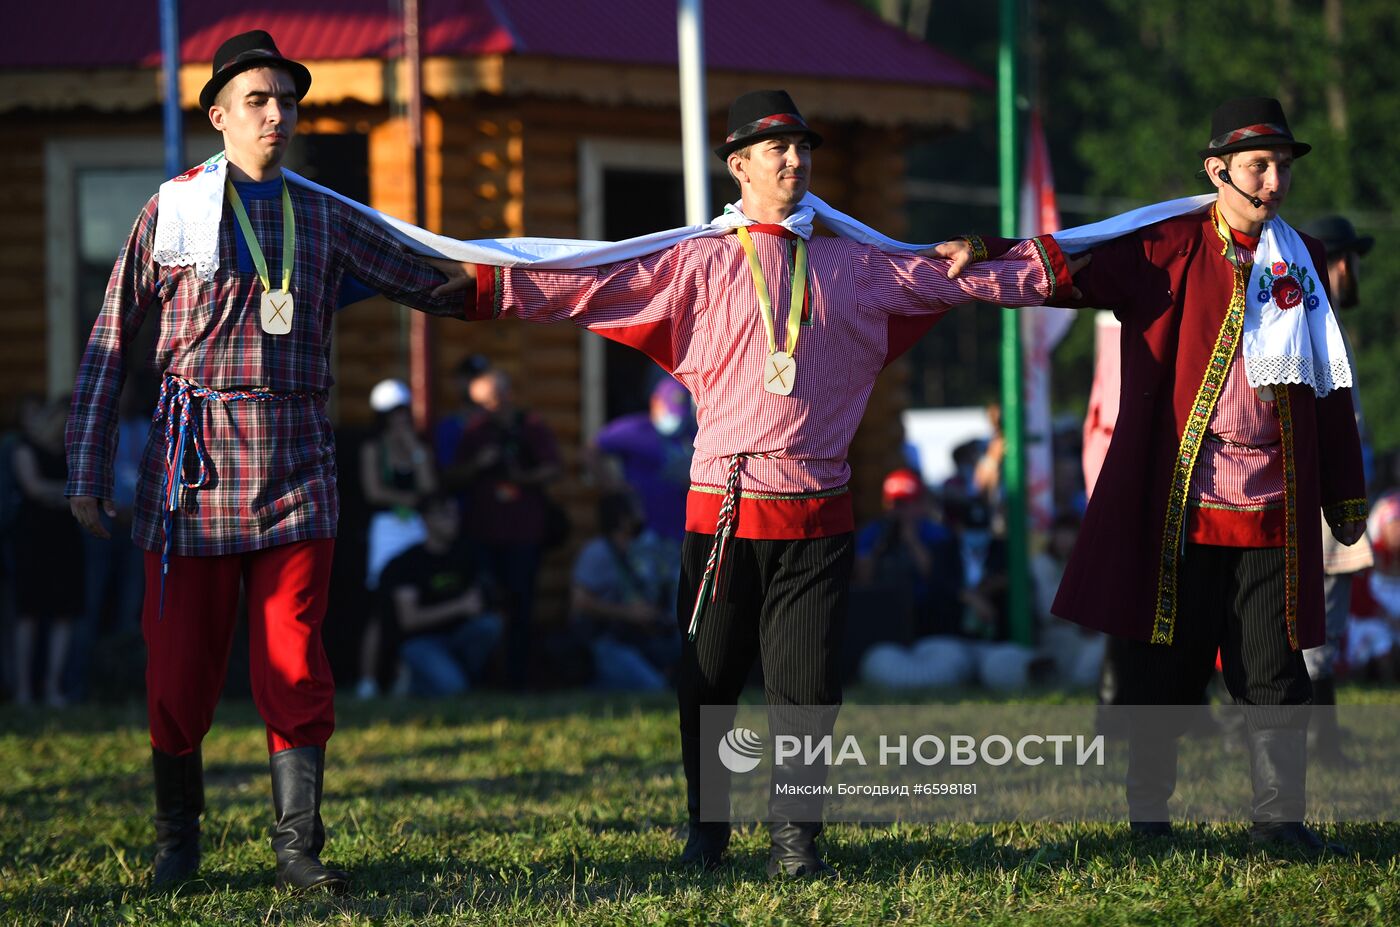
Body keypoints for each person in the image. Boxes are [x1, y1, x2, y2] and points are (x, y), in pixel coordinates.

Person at [432, 89, 1078, 876]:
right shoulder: (694, 262)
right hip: (723, 514)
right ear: (739, 165)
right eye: (776, 149)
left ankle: (795, 841)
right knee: (707, 684)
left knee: (808, 690)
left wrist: (1006, 249)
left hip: (819, 515)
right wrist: (471, 289)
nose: (795, 160)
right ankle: (708, 832)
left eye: (803, 148)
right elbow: (588, 284)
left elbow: (959, 279)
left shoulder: (857, 263)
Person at [65, 30, 467, 892]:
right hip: (189, 474)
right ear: (218, 116)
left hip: (298, 470)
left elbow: (423, 276)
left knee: (294, 661)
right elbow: (109, 344)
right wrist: (86, 467)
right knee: (177, 675)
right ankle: (179, 841)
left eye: (287, 100)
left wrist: (537, 279)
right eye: (258, 100)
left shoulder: (325, 214)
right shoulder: (168, 212)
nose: (278, 114)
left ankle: (297, 848)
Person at [978, 98, 1367, 854]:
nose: (1275, 180)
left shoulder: (1307, 259)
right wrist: (987, 252)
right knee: (1163, 666)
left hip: (1274, 509)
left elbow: (1331, 385)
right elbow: (1073, 269)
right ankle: (1149, 817)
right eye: (1260, 165)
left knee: (1274, 666)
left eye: (1283, 164)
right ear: (1216, 169)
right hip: (1182, 506)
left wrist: (1344, 490)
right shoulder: (1169, 245)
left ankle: (1280, 818)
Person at [1297, 215, 1376, 766]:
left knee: (1328, 619)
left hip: (1336, 490)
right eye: (1344, 258)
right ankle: (1316, 741)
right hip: (1323, 492)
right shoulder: (1309, 319)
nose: (1350, 271)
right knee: (1317, 622)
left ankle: (1321, 736)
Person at [446, 368, 562, 689]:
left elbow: (554, 468)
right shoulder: (474, 431)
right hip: (482, 534)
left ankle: (517, 681)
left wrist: (521, 476)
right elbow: (452, 476)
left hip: (524, 535)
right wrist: (479, 464)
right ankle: (482, 681)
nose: (487, 410)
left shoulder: (531, 427)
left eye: (492, 401)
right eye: (480, 404)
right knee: (485, 608)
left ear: (507, 396)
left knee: (521, 608)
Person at [354, 378, 436, 699]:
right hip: (387, 529)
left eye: (404, 414)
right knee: (381, 604)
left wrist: (414, 451)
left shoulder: (419, 449)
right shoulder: (374, 449)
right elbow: (374, 491)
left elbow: (429, 487)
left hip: (415, 526)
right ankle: (368, 679)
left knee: (414, 598)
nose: (400, 420)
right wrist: (408, 498)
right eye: (394, 415)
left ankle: (405, 678)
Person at [380, 493, 504, 696]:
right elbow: (409, 620)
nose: (453, 520)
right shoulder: (406, 564)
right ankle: (413, 679)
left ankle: (465, 678)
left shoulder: (467, 555)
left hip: (459, 637)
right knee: (454, 689)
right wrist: (460, 606)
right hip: (421, 641)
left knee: (489, 626)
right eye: (445, 514)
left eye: (456, 514)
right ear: (426, 519)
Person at [569, 492, 680, 691]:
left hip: (639, 638)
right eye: (636, 510)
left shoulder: (637, 550)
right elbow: (579, 603)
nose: (643, 515)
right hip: (606, 642)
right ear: (622, 519)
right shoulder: (597, 552)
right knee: (654, 688)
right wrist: (628, 613)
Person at [13, 397, 83, 707]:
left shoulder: (71, 453)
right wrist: (67, 493)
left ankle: (54, 687)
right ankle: (23, 690)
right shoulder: (25, 448)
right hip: (33, 540)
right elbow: (33, 487)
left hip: (65, 539)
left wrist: (57, 493)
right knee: (28, 614)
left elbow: (66, 490)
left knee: (63, 614)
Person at [853, 468, 961, 639]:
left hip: (926, 613)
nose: (899, 511)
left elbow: (936, 578)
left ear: (920, 504)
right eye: (895, 503)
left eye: (906, 504)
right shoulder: (872, 533)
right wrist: (881, 547)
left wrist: (911, 540)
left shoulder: (936, 533)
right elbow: (864, 581)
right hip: (885, 611)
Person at [588, 378, 695, 545]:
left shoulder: (693, 432)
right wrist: (613, 486)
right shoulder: (635, 429)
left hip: (683, 532)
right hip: (642, 532)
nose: (673, 422)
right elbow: (593, 450)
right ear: (654, 403)